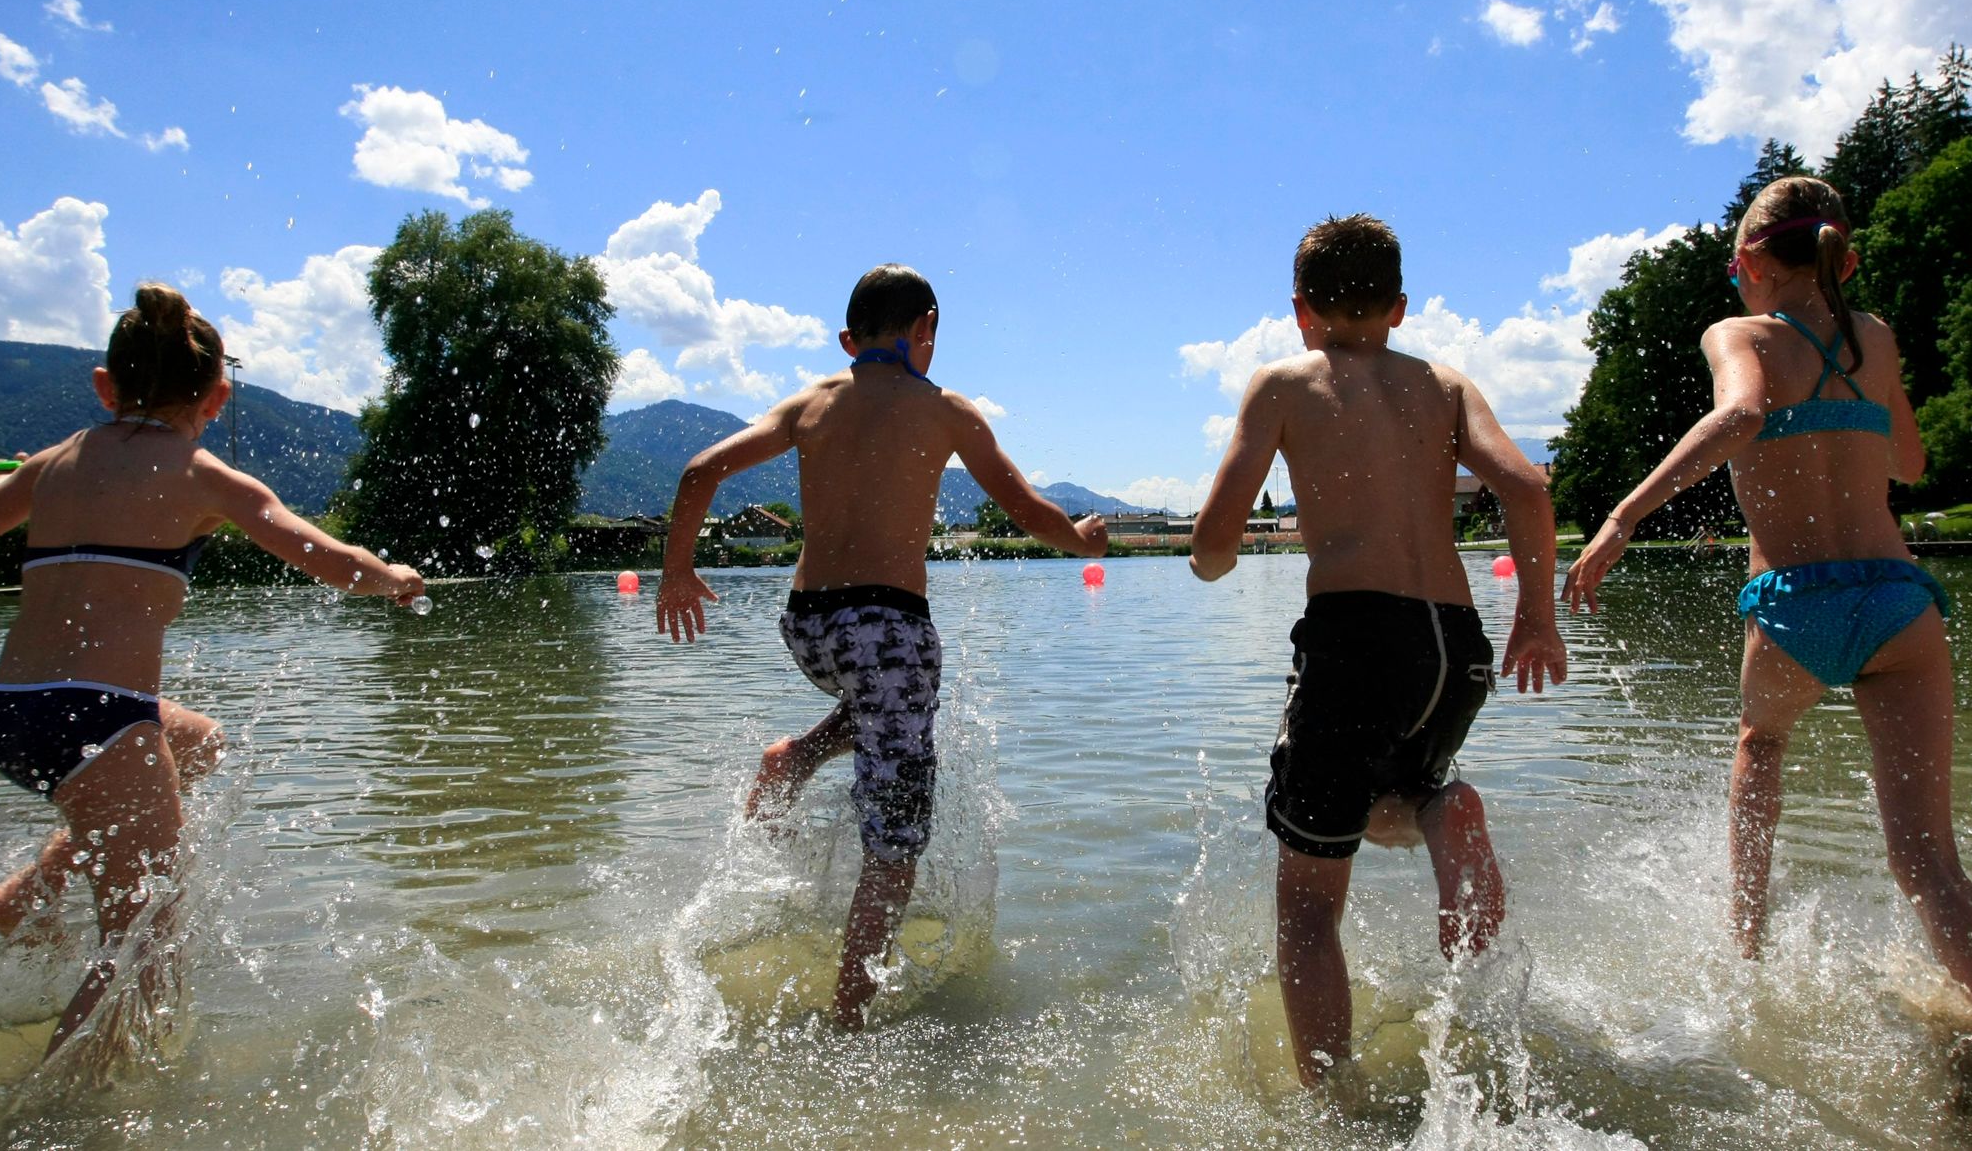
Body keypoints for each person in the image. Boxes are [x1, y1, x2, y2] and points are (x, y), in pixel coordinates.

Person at [1560, 177, 1972, 1064]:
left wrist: (1621, 521)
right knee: (1929, 865)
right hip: (1896, 601)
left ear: (1750, 266)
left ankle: (1744, 940)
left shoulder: (1739, 333)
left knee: (1760, 742)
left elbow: (1740, 414)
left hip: (1793, 606)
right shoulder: (1876, 337)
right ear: (1839, 258)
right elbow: (1915, 463)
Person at [0, 283, 424, 1056]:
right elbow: (335, 563)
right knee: (143, 948)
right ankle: (70, 1123)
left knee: (200, 743)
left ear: (104, 386)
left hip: (12, 714)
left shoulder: (54, 465)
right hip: (99, 718)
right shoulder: (205, 478)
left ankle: (30, 893)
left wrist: (17, 480)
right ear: (217, 396)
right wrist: (393, 577)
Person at [654, 264, 1108, 1030]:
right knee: (896, 844)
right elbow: (1027, 508)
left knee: (883, 698)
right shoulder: (946, 411)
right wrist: (1080, 538)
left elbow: (700, 472)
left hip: (807, 627)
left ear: (847, 340)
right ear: (926, 329)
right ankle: (847, 1020)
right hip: (887, 629)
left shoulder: (809, 403)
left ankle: (793, 760)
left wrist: (676, 574)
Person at [1189, 214, 1566, 1090]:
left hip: (1356, 640)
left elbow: (1213, 542)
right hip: (1455, 648)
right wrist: (1537, 619)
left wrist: (1214, 559)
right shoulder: (1445, 384)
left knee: (1309, 913)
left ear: (1299, 309)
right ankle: (1439, 813)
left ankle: (1334, 1109)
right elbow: (1526, 485)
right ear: (1399, 306)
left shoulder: (1283, 384)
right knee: (1393, 790)